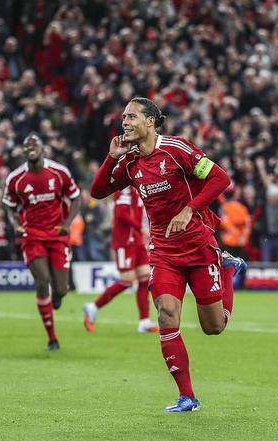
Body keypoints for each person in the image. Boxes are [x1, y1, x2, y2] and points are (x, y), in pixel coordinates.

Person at [90, 97, 246, 412]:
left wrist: (190, 209)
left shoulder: (177, 149)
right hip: (164, 251)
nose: (125, 122)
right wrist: (111, 158)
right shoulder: (130, 161)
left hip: (199, 245)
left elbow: (220, 178)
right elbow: (98, 191)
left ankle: (227, 269)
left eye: (132, 116)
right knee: (166, 313)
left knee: (213, 327)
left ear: (150, 121)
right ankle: (187, 397)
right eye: (123, 117)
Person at [3, 133, 82, 351]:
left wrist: (67, 223)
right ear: (23, 151)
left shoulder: (59, 172)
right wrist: (16, 224)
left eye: (34, 144)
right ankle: (52, 338)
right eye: (26, 145)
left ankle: (58, 294)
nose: (30, 147)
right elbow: (9, 206)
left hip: (57, 235)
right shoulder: (16, 179)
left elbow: (76, 198)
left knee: (62, 289)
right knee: (42, 280)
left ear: (42, 149)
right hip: (32, 235)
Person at [82, 186, 159, 334]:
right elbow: (121, 213)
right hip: (125, 241)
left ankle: (144, 321)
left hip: (137, 240)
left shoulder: (139, 186)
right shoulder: (124, 188)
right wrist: (140, 228)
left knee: (145, 278)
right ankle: (93, 307)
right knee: (127, 281)